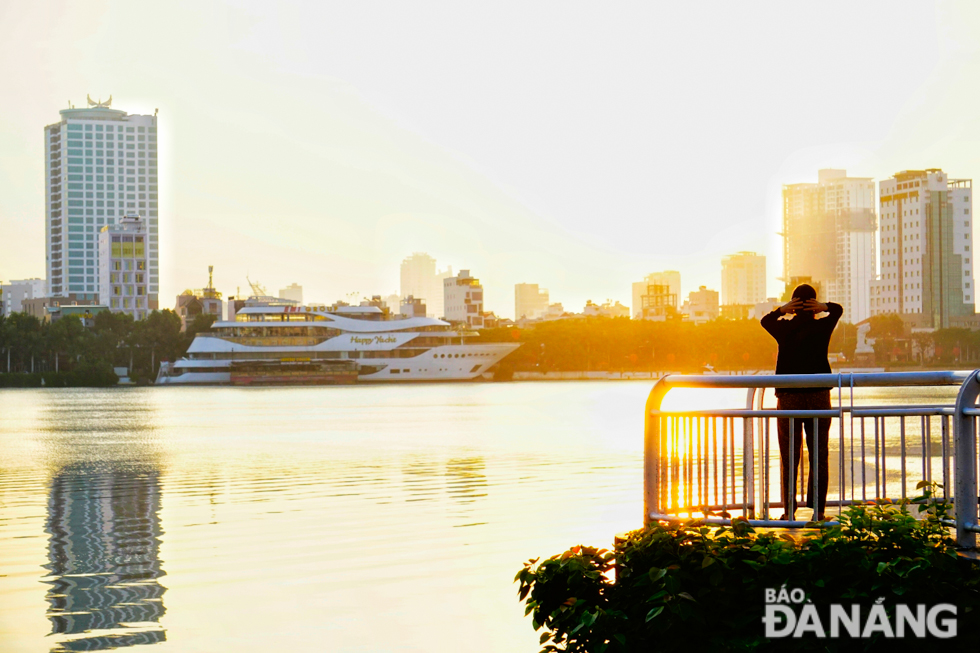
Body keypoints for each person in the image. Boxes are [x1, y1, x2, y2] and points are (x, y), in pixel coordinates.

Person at [760, 284, 842, 521]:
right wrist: (825, 307)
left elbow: (765, 321)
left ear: (793, 306)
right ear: (815, 307)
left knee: (789, 455)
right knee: (819, 452)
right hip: (818, 395)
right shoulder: (823, 325)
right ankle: (819, 511)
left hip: (789, 397)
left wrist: (781, 310)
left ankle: (789, 512)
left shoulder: (784, 328)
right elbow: (837, 310)